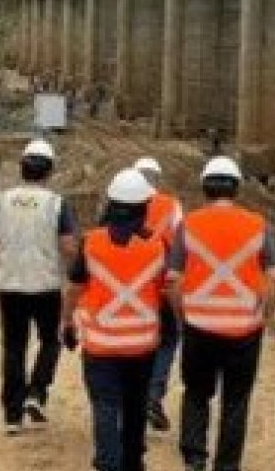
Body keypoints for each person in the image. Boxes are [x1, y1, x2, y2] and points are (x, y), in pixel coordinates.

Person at [168, 156, 275, 471]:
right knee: (236, 401)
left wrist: (182, 316)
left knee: (196, 393)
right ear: (237, 188)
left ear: (205, 187)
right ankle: (227, 465)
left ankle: (194, 458)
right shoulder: (257, 224)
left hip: (199, 327)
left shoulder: (189, 224)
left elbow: (173, 280)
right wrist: (264, 316)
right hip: (244, 330)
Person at [61, 168, 168, 471]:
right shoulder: (158, 245)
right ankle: (133, 461)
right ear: (144, 207)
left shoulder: (91, 242)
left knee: (105, 405)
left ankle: (109, 462)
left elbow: (74, 288)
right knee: (135, 404)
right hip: (142, 346)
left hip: (101, 346)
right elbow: (166, 288)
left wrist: (67, 323)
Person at [0, 138, 79, 435]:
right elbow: (68, 247)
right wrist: (77, 274)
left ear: (22, 168)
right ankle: (36, 392)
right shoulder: (56, 204)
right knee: (50, 341)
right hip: (46, 284)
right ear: (49, 170)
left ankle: (12, 415)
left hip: (9, 284)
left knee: (14, 347)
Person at [134, 156, 184, 432]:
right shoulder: (170, 205)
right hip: (162, 281)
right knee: (167, 338)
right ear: (157, 178)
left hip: (129, 283)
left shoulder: (123, 202)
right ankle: (153, 395)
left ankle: (131, 396)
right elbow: (181, 243)